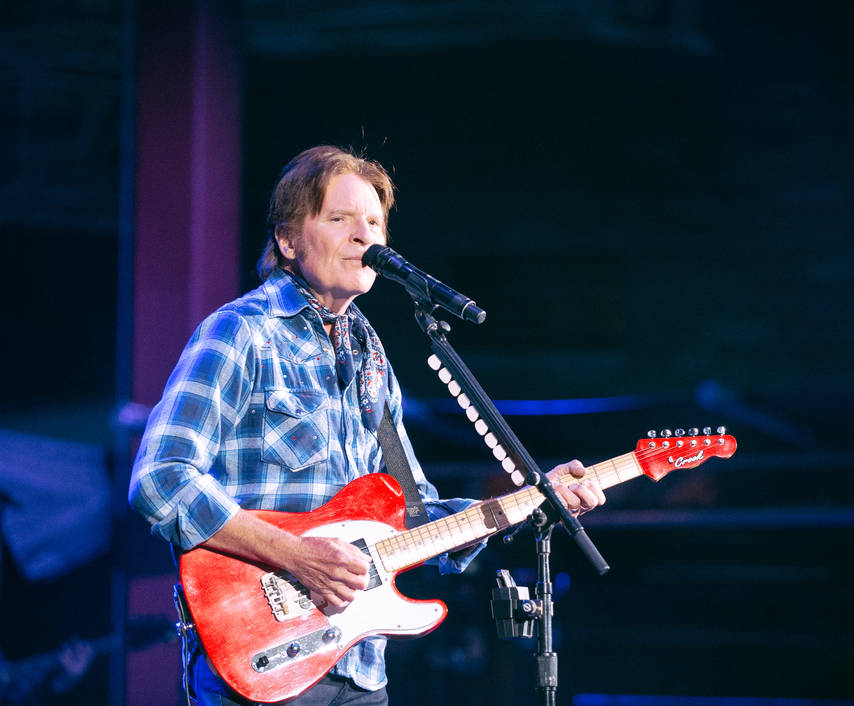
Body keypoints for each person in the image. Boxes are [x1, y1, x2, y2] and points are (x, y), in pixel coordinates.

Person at [128, 145, 605, 705]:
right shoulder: (242, 333)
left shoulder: (372, 359)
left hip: (358, 669)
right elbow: (160, 479)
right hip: (262, 660)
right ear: (288, 240)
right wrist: (297, 555)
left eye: (375, 222)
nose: (364, 236)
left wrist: (533, 501)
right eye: (339, 218)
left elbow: (419, 519)